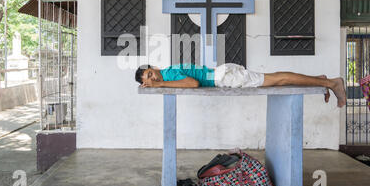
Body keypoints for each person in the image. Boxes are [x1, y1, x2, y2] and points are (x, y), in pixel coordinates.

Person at [135, 63, 346, 107]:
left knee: (279, 79)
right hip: (224, 75)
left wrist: (157, 87)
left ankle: (331, 82)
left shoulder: (169, 73)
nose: (154, 80)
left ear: (153, 67)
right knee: (276, 78)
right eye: (149, 80)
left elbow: (192, 83)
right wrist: (157, 85)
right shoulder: (168, 74)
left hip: (226, 78)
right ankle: (320, 79)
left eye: (150, 74)